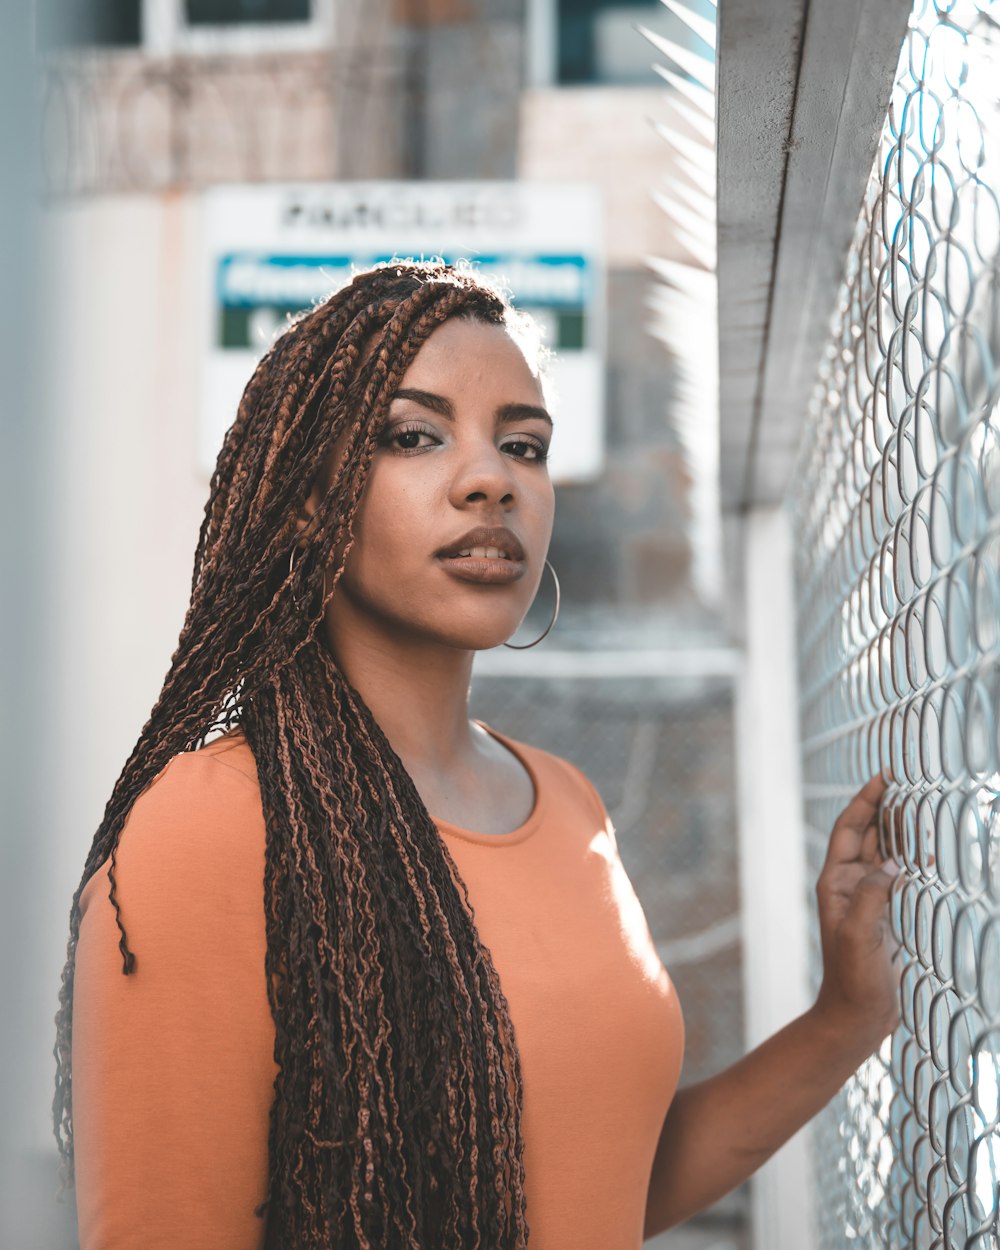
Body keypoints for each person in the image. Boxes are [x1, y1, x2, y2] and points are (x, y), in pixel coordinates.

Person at [54, 260, 901, 1250]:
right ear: (302, 499)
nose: (491, 476)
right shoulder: (209, 824)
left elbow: (603, 1180)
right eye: (413, 435)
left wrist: (845, 1016)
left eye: (523, 444)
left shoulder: (568, 800)